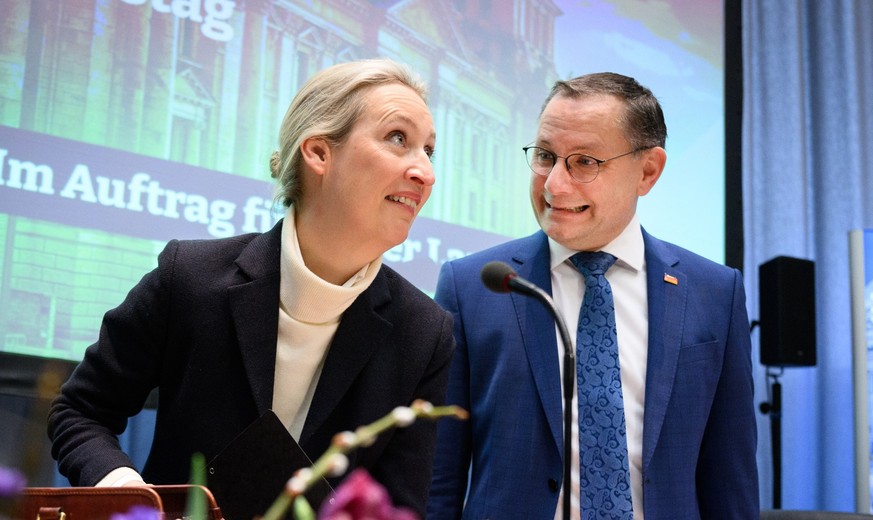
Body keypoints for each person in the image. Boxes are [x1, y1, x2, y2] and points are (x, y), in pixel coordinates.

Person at [48, 58, 454, 519]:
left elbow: (398, 507)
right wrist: (134, 499)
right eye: (397, 139)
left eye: (429, 151)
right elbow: (79, 411)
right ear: (319, 152)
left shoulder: (423, 332)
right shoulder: (191, 277)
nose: (426, 172)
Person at [427, 72, 758, 519]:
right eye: (546, 156)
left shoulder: (715, 293)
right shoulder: (473, 287)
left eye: (584, 162)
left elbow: (730, 479)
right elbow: (437, 478)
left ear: (647, 171)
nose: (553, 185)